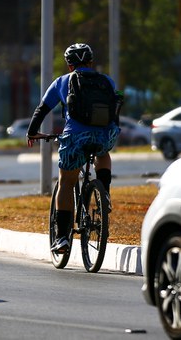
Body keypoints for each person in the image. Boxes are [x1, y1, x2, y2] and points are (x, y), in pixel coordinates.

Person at [26, 43, 121, 255]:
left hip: (76, 136)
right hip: (106, 134)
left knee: (66, 182)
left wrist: (32, 132)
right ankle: (104, 192)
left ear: (69, 65)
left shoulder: (62, 81)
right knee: (102, 153)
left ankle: (61, 238)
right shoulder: (106, 80)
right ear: (91, 61)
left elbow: (42, 109)